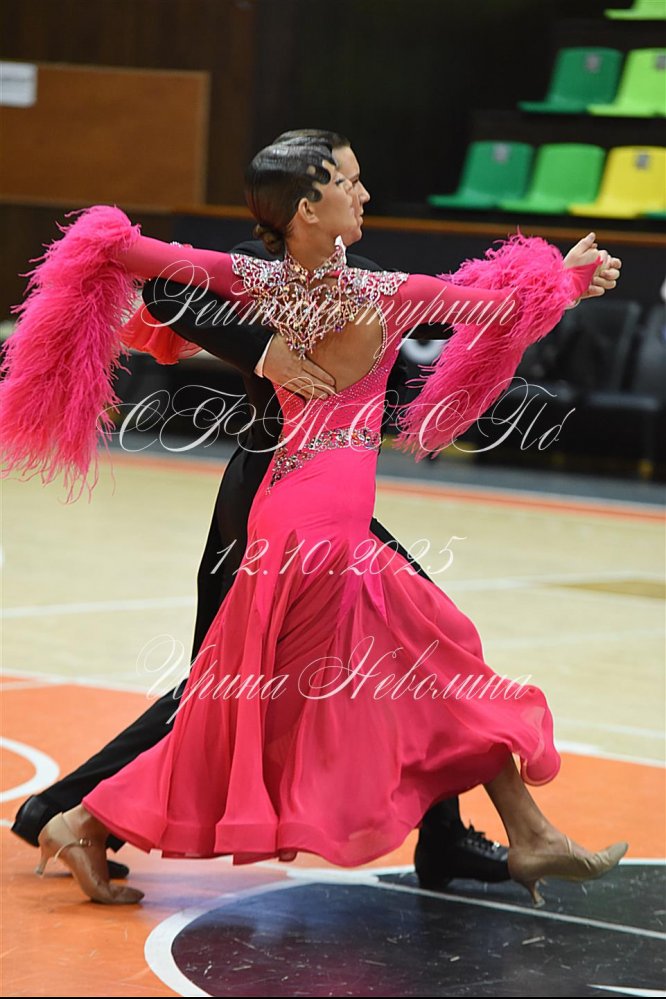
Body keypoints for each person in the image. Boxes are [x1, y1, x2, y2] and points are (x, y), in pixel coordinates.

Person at [1, 139, 627, 909]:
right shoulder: (299, 277)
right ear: (305, 204)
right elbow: (160, 284)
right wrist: (264, 352)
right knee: (237, 687)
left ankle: (494, 832)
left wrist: (560, 280)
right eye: (349, 180)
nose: (364, 193)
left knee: (411, 651)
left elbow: (126, 250)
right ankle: (73, 813)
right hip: (284, 508)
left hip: (316, 511)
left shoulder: (327, 279)